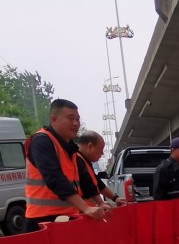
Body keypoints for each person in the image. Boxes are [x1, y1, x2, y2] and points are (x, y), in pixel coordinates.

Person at [24, 98, 105, 229]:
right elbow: (55, 178)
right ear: (54, 119)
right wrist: (85, 208)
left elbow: (85, 181)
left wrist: (100, 203)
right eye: (70, 118)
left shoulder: (70, 149)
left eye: (78, 119)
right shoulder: (41, 141)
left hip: (66, 218)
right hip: (42, 221)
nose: (76, 123)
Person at [75, 130, 124, 206]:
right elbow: (88, 185)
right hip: (73, 212)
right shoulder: (77, 160)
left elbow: (98, 184)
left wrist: (115, 198)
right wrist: (100, 203)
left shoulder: (84, 161)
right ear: (90, 146)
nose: (102, 153)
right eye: (101, 149)